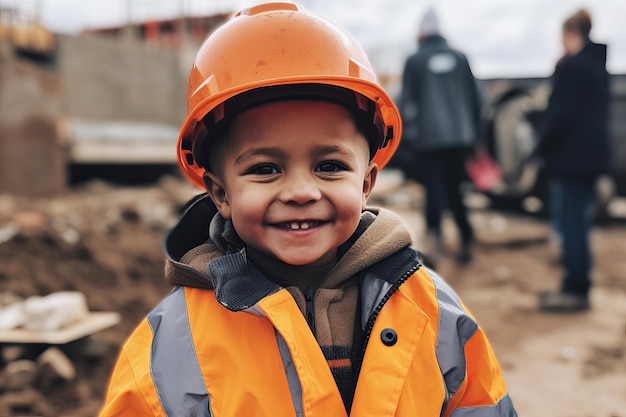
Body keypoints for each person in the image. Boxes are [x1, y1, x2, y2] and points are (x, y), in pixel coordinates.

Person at [98, 3, 517, 416]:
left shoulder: (430, 310)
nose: (301, 192)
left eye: (329, 166)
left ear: (366, 183)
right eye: (265, 169)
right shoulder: (173, 344)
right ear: (220, 194)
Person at [533, 8, 610, 312]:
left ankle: (574, 290)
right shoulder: (596, 66)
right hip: (591, 159)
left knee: (571, 225)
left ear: (571, 33)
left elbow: (559, 117)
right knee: (580, 223)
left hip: (570, 161)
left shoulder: (571, 67)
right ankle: (577, 285)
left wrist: (539, 148)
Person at [399, 7, 482, 265]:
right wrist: (473, 136)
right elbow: (475, 100)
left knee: (433, 192)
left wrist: (409, 138)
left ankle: (434, 243)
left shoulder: (415, 61)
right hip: (460, 139)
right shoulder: (460, 58)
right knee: (456, 190)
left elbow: (408, 104)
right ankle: (466, 237)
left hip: (430, 140)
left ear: (421, 33)